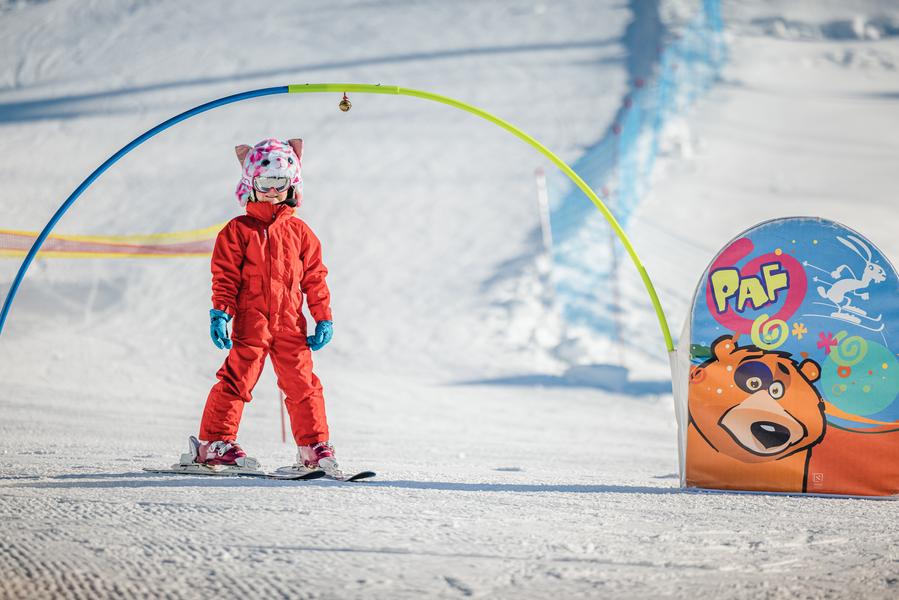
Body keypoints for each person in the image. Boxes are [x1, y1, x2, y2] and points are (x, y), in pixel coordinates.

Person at [187, 137, 339, 476]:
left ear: (291, 184)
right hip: (251, 322)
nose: (272, 191)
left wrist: (322, 317)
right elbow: (224, 275)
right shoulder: (238, 231)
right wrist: (221, 311)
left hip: (290, 325)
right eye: (265, 183)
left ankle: (313, 447)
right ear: (250, 184)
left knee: (303, 384)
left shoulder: (301, 233)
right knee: (237, 380)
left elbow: (314, 278)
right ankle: (214, 443)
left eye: (279, 183)